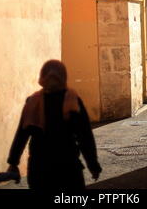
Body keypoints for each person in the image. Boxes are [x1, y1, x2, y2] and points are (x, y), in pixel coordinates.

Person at [7, 59, 102, 191]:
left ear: (42, 76)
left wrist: (13, 163)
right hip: (67, 166)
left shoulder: (32, 102)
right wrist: (93, 165)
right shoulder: (72, 101)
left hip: (39, 168)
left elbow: (21, 134)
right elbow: (84, 136)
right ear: (63, 76)